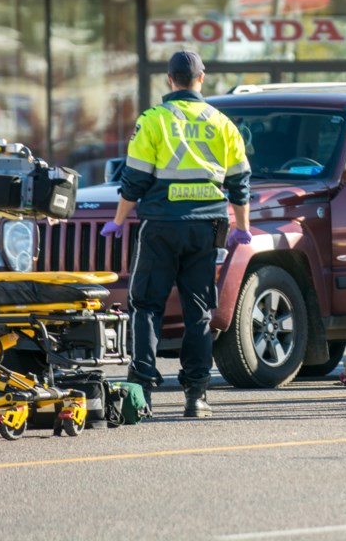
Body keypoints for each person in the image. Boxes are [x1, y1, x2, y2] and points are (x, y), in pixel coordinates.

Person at [101, 50, 252, 418]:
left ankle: (141, 393)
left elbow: (134, 179)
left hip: (162, 227)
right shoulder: (222, 122)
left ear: (169, 80)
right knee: (198, 311)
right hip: (207, 228)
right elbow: (239, 182)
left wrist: (119, 220)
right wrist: (243, 229)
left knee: (146, 306)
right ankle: (197, 396)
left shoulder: (153, 120)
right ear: (201, 79)